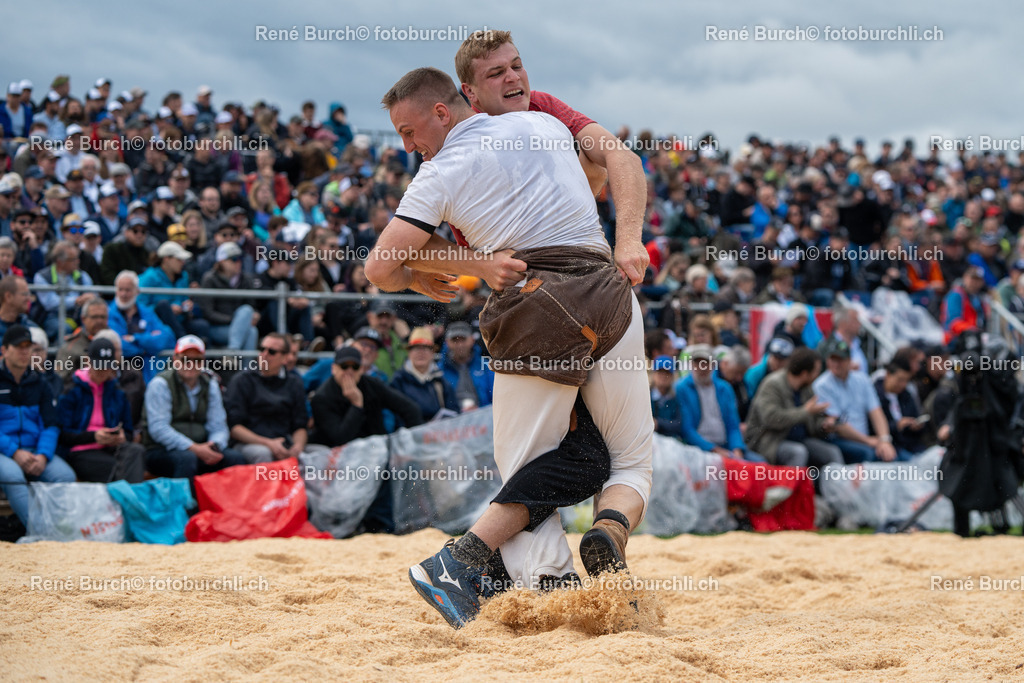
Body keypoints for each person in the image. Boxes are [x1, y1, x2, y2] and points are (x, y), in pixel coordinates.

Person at [366, 67, 651, 628]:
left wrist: (459, 265)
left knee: (525, 462)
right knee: (616, 460)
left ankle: (501, 572)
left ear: (443, 113)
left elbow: (380, 266)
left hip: (535, 304)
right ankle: (606, 534)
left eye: (408, 130)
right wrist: (630, 239)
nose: (408, 145)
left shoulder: (439, 170)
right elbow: (616, 164)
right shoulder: (543, 125)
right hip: (609, 293)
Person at [309, 345, 424, 533]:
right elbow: (340, 437)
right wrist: (356, 404)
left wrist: (410, 444)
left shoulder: (372, 384)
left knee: (401, 464)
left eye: (354, 367)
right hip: (340, 457)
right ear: (333, 368)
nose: (348, 372)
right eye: (343, 366)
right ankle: (367, 525)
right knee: (368, 468)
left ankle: (389, 525)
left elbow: (410, 409)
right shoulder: (322, 397)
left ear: (361, 369)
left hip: (375, 452)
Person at [0, 325, 76, 529]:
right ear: (4, 350)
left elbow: (51, 425)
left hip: (34, 450)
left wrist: (43, 455)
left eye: (28, 346)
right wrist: (14, 452)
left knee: (65, 476)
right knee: (13, 477)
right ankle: (39, 533)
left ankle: (62, 530)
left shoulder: (40, 382)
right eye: (19, 347)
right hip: (4, 451)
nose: (25, 352)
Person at [141, 335, 246, 478]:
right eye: (185, 359)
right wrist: (194, 448)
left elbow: (219, 425)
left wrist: (214, 445)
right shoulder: (161, 384)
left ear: (203, 361)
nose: (191, 364)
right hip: (161, 450)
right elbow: (159, 429)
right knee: (186, 459)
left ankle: (230, 501)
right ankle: (184, 501)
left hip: (201, 446)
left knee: (235, 458)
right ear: (175, 359)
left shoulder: (210, 384)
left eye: (196, 360)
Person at [56, 336, 145, 483]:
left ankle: (128, 500)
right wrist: (94, 436)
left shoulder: (117, 392)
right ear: (88, 362)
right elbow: (63, 434)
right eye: (98, 366)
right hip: (80, 450)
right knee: (114, 468)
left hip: (110, 448)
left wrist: (122, 436)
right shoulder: (71, 390)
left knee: (136, 452)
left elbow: (128, 431)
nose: (103, 371)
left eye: (107, 366)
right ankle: (130, 502)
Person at [745, 347, 844, 468]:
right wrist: (804, 411)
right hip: (770, 442)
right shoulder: (772, 384)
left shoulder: (806, 388)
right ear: (805, 373)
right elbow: (771, 418)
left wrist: (825, 425)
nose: (818, 375)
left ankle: (839, 485)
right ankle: (791, 486)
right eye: (816, 371)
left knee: (832, 452)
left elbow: (813, 421)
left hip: (801, 439)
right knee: (798, 452)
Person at [224, 332, 311, 464]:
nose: (264, 354)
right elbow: (235, 428)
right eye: (261, 349)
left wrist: (297, 448)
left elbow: (300, 425)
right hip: (249, 443)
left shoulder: (294, 383)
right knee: (263, 454)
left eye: (271, 351)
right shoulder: (242, 381)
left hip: (284, 442)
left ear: (285, 358)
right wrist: (268, 443)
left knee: (320, 453)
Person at [812, 338, 899, 464]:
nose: (836, 364)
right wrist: (869, 441)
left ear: (849, 361)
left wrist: (884, 440)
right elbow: (838, 425)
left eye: (840, 360)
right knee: (867, 454)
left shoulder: (861, 379)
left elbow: (876, 412)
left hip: (864, 438)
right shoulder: (822, 385)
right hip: (839, 438)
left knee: (894, 454)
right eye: (833, 359)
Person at [676, 345, 760, 461]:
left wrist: (737, 449)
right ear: (691, 365)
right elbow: (687, 429)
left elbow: (733, 424)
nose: (702, 368)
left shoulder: (724, 388)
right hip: (698, 450)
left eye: (706, 363)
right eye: (698, 363)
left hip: (725, 446)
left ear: (713, 365)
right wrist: (714, 450)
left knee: (759, 465)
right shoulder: (682, 388)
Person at [107, 270, 175, 381]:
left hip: (147, 373)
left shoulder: (146, 312)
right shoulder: (109, 314)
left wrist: (135, 338)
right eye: (120, 289)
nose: (123, 294)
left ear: (137, 291)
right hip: (120, 373)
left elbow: (166, 338)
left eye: (128, 290)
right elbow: (119, 345)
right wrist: (146, 347)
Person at [390, 326, 459, 422]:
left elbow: (454, 412)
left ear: (432, 353)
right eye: (416, 348)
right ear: (409, 353)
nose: (421, 353)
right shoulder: (398, 381)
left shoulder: (441, 382)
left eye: (425, 348)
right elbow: (394, 417)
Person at [198, 242, 259, 350]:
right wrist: (235, 320)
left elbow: (251, 306)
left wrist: (252, 316)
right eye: (234, 259)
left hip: (239, 325)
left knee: (250, 322)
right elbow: (208, 313)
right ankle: (234, 353)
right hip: (217, 327)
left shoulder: (246, 279)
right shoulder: (210, 279)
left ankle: (234, 355)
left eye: (240, 258)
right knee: (249, 329)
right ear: (222, 261)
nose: (238, 262)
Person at [32, 240, 94, 342]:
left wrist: (90, 298)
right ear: (60, 261)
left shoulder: (83, 276)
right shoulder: (42, 276)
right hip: (51, 317)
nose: (78, 261)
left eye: (77, 258)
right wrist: (76, 300)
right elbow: (50, 303)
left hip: (79, 316)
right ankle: (62, 357)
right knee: (65, 328)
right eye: (73, 259)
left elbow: (92, 295)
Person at [873, 357, 928, 459]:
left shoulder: (906, 395)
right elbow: (873, 425)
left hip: (911, 444)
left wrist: (915, 425)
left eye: (906, 381)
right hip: (891, 445)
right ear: (888, 375)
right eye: (900, 379)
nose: (903, 384)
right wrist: (897, 425)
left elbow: (915, 416)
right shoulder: (875, 395)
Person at [438, 320, 494, 410]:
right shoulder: (439, 370)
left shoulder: (486, 367)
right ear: (447, 342)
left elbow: (495, 398)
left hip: (484, 417)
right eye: (455, 340)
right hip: (452, 420)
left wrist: (479, 411)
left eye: (463, 339)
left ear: (472, 340)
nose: (460, 345)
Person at [650, 355, 682, 438]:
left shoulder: (675, 398)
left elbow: (678, 424)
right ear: (653, 374)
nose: (663, 376)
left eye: (667, 373)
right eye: (660, 372)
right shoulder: (645, 396)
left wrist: (658, 423)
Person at [0, 275, 40, 340]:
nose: (28, 298)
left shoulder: (32, 329)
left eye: (29, 294)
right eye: (24, 294)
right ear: (8, 296)